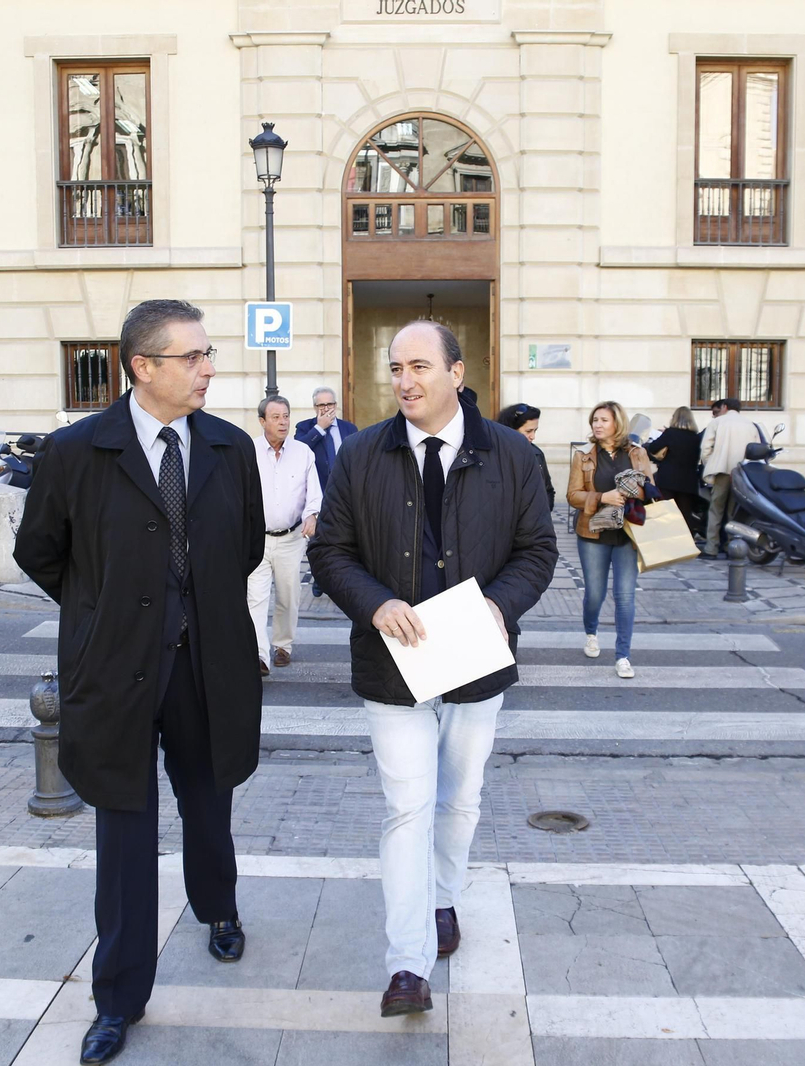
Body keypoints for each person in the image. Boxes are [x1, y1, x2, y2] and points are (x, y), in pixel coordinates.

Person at [13, 299, 264, 1065]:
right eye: (191, 358)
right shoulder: (76, 451)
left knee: (209, 798)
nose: (208, 369)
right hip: (116, 672)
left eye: (208, 354)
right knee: (124, 831)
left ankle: (216, 907)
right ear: (142, 367)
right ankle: (118, 997)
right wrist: (106, 613)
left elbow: (246, 545)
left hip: (206, 662)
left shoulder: (229, 447)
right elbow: (40, 552)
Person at [307, 320, 557, 1019]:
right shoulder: (359, 455)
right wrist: (376, 602)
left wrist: (499, 609)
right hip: (394, 664)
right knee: (406, 807)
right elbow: (330, 552)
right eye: (395, 368)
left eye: (419, 365)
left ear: (456, 371)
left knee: (461, 797)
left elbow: (537, 550)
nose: (405, 380)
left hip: (476, 657)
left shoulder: (511, 455)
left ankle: (445, 895)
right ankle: (408, 965)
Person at [566, 401, 653, 679]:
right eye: (595, 420)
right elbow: (572, 495)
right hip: (592, 533)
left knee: (625, 596)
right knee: (595, 594)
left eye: (603, 420)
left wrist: (633, 491)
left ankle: (623, 656)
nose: (597, 424)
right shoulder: (583, 457)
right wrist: (602, 497)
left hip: (628, 533)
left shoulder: (638, 454)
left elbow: (649, 490)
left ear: (618, 423)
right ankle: (591, 633)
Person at [248, 395, 321, 675]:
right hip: (258, 539)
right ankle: (260, 655)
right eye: (276, 417)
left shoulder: (303, 452)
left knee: (288, 596)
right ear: (262, 421)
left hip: (291, 539)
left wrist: (311, 514)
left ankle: (283, 646)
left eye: (286, 416)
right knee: (255, 598)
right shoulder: (248, 451)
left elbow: (313, 493)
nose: (283, 422)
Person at [296, 386, 358, 595]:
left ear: (336, 405)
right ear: (315, 407)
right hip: (317, 494)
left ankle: (340, 579)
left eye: (329, 404)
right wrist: (320, 429)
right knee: (317, 541)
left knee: (344, 540)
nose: (326, 409)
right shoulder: (305, 428)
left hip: (344, 494)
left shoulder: (349, 429)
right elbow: (298, 452)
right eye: (321, 405)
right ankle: (318, 578)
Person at [698, 397, 764, 558]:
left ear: (725, 407)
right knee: (733, 513)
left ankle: (711, 548)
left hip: (722, 471)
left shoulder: (718, 422)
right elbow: (756, 449)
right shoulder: (750, 425)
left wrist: (710, 465)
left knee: (716, 510)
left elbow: (706, 447)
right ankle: (732, 546)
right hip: (742, 473)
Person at [646, 406, 704, 539]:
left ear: (675, 418)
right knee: (685, 514)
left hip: (668, 480)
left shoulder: (670, 433)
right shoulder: (696, 437)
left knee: (666, 512)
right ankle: (685, 542)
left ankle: (666, 540)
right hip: (688, 481)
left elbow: (654, 447)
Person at [497, 401, 557, 504]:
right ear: (512, 429)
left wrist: (541, 514)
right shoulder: (494, 455)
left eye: (535, 431)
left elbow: (548, 490)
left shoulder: (537, 454)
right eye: (528, 431)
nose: (533, 436)